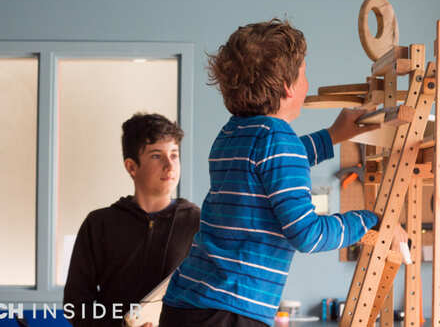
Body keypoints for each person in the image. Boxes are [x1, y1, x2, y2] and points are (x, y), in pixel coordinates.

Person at [160, 19, 405, 327]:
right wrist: (368, 219)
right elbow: (309, 235)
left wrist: (332, 136)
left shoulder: (233, 133)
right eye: (304, 74)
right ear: (289, 87)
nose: (307, 83)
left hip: (187, 303)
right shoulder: (278, 139)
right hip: (231, 311)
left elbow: (275, 163)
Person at [63, 113, 200, 326]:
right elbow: (76, 303)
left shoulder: (198, 222)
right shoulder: (99, 224)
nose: (170, 165)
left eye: (174, 154)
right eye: (157, 155)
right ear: (131, 167)